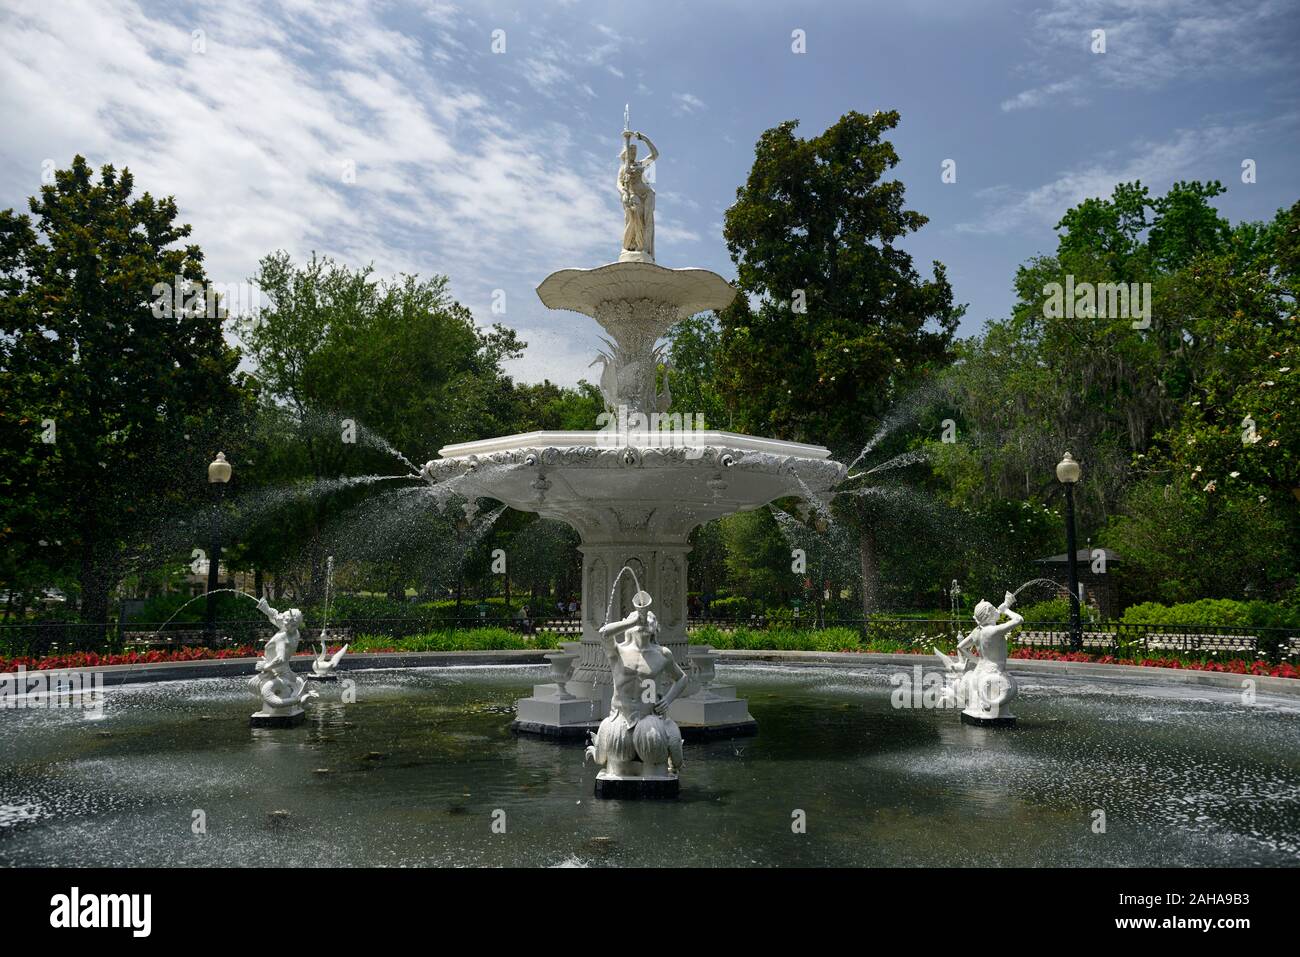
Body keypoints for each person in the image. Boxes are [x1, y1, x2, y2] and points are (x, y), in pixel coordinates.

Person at [584, 589, 687, 779]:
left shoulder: (663, 654)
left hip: (650, 721)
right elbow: (604, 633)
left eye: (649, 619)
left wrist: (668, 700)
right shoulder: (618, 651)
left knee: (655, 772)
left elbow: (682, 678)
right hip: (620, 720)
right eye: (640, 618)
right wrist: (631, 620)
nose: (644, 620)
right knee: (618, 771)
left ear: (656, 627)